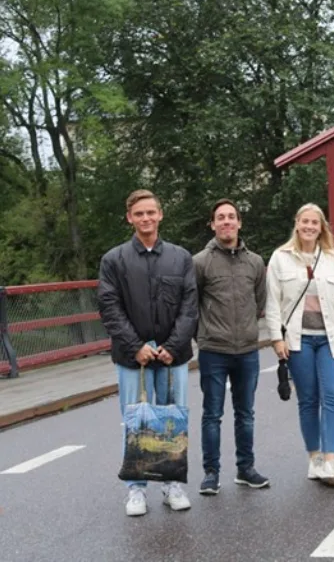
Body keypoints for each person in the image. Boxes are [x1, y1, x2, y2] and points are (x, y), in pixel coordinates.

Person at [97, 189, 198, 516]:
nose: (146, 219)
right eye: (139, 213)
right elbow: (109, 307)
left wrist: (174, 346)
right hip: (132, 357)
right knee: (135, 421)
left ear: (160, 214)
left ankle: (172, 484)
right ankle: (136, 490)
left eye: (151, 212)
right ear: (130, 217)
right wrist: (135, 346)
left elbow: (189, 306)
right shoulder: (114, 260)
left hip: (173, 355)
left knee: (173, 420)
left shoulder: (180, 257)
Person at [265, 203, 334, 487]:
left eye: (314, 223)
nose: (309, 227)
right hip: (298, 339)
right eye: (305, 221)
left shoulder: (331, 259)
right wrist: (276, 338)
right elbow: (273, 302)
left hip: (330, 339)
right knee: (308, 400)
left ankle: (331, 459)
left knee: (333, 397)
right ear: (297, 223)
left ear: (321, 227)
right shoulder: (280, 258)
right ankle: (314, 456)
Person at [194, 199, 269, 495]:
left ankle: (245, 468)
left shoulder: (255, 262)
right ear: (212, 225)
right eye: (220, 218)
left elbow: (259, 302)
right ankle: (211, 473)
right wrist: (202, 336)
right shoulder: (200, 262)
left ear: (239, 222)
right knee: (212, 414)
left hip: (247, 350)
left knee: (245, 413)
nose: (226, 222)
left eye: (231, 217)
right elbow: (192, 303)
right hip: (214, 349)